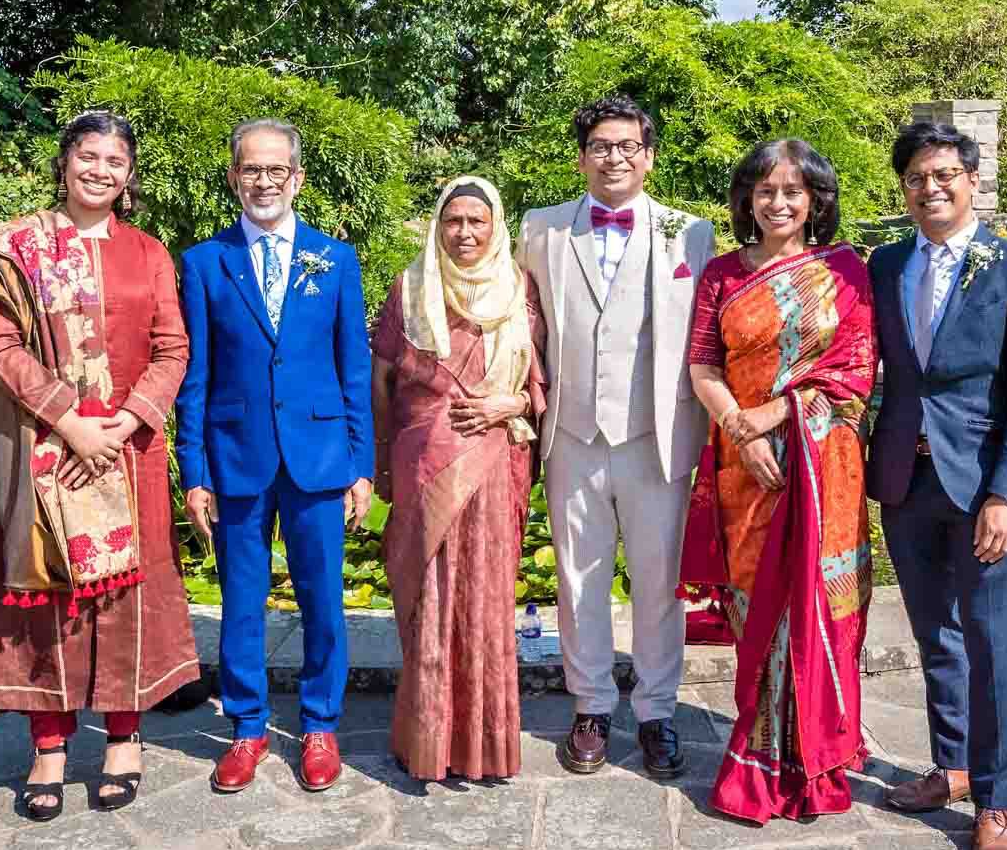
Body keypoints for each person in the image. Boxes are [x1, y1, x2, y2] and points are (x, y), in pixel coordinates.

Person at [0, 110, 200, 822]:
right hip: (43, 448)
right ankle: (49, 745)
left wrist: (123, 421)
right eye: (89, 156)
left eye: (115, 161)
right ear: (65, 162)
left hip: (128, 450)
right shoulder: (17, 248)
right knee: (48, 599)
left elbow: (172, 348)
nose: (101, 171)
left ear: (129, 174)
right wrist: (70, 418)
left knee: (124, 601)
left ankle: (122, 736)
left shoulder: (147, 252)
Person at [867, 121, 1007, 850]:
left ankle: (996, 800)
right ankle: (950, 767)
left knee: (991, 644)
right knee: (934, 636)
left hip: (982, 489)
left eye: (944, 174)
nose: (931, 187)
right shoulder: (885, 266)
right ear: (905, 188)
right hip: (905, 484)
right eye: (916, 177)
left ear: (972, 180)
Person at [678, 138, 876, 823]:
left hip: (824, 468)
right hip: (745, 471)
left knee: (815, 610)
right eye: (765, 191)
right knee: (754, 613)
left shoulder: (846, 272)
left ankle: (816, 753)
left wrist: (771, 420)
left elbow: (854, 375)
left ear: (816, 200)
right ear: (747, 200)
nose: (779, 203)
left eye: (793, 191)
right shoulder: (722, 276)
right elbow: (702, 365)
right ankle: (760, 753)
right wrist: (741, 429)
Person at [517, 95, 715, 779]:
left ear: (649, 156)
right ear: (581, 157)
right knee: (579, 580)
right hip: (571, 433)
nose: (615, 158)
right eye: (601, 146)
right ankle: (592, 706)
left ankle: (658, 710)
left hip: (657, 436)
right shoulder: (540, 231)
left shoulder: (692, 233)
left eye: (628, 146)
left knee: (659, 584)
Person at [175, 117, 373, 795]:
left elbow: (354, 372)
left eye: (276, 170)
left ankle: (320, 724)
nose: (264, 181)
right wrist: (194, 471)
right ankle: (249, 727)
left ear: (298, 178)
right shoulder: (204, 263)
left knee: (323, 599)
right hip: (237, 456)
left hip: (318, 458)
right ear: (234, 177)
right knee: (241, 600)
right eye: (251, 170)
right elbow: (194, 375)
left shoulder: (334, 259)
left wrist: (361, 463)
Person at [371, 176, 546, 781]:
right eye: (453, 221)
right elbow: (382, 384)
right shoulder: (411, 288)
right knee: (428, 596)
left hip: (494, 462)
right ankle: (425, 739)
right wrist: (382, 464)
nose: (465, 233)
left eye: (477, 221)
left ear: (495, 226)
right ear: (437, 227)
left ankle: (481, 747)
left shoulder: (519, 292)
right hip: (424, 459)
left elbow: (540, 385)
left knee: (485, 595)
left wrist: (510, 406)